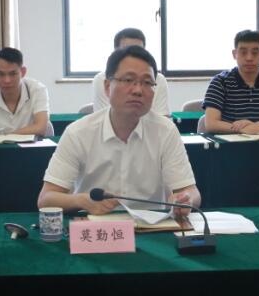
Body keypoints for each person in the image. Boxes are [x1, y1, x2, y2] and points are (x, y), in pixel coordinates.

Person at [40, 45, 201, 220]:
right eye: (128, 80)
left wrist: (185, 199)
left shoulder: (166, 131)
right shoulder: (78, 133)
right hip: (97, 228)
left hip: (151, 227)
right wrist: (81, 201)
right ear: (107, 87)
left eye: (147, 82)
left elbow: (191, 192)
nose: (138, 90)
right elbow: (46, 199)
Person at [201, 30, 259, 135]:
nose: (249, 58)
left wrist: (257, 127)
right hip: (229, 141)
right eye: (243, 52)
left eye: (255, 53)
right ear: (234, 54)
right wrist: (241, 129)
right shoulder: (220, 81)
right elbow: (211, 124)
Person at [91, 28, 171, 116]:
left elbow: (162, 118)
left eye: (138, 51)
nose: (133, 55)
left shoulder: (157, 79)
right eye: (128, 80)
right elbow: (104, 118)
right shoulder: (102, 79)